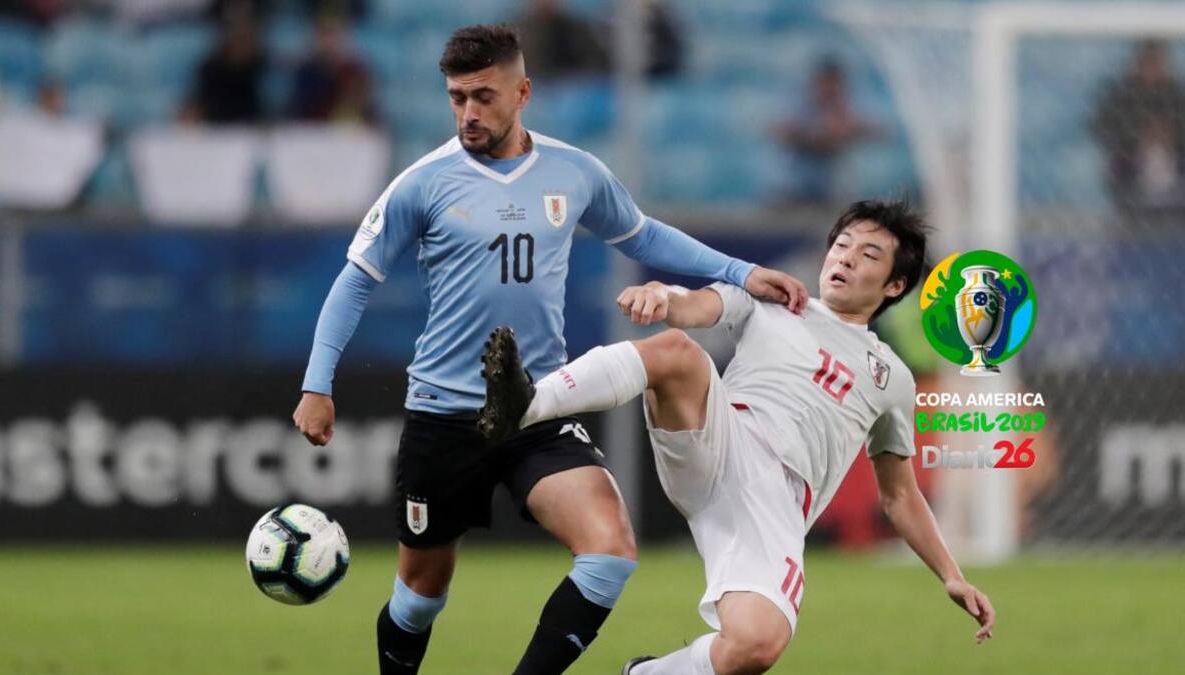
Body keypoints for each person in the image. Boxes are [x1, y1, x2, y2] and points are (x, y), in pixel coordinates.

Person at [291, 24, 808, 675]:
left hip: (535, 407)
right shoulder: (423, 183)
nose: (468, 113)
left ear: (523, 91)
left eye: (483, 96)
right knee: (420, 595)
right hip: (443, 416)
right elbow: (354, 281)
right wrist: (317, 383)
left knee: (611, 550)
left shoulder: (574, 172)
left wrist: (738, 272)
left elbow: (644, 237)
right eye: (456, 98)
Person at [479, 200, 996, 675]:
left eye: (869, 254)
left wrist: (951, 574)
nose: (846, 258)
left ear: (895, 286)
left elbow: (899, 493)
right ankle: (527, 405)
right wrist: (662, 294)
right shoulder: (776, 300)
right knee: (677, 351)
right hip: (721, 438)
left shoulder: (893, 378)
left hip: (775, 505)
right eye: (842, 244)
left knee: (756, 644)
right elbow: (694, 305)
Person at [1092, 39, 1185, 212]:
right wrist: (1139, 136)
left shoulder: (1177, 95)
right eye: (1148, 63)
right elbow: (1100, 128)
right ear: (1137, 63)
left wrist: (1170, 137)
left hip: (1176, 172)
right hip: (1130, 172)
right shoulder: (1121, 94)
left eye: (1156, 62)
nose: (1152, 69)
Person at [774, 57, 879, 203]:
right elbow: (778, 130)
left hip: (833, 190)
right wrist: (812, 136)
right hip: (798, 188)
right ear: (816, 84)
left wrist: (849, 131)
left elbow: (877, 132)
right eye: (825, 83)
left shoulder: (847, 111)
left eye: (834, 84)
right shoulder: (800, 108)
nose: (829, 89)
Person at [288, 12, 378, 126]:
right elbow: (300, 111)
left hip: (347, 134)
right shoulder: (305, 71)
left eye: (333, 34)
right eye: (324, 34)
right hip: (313, 134)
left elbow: (368, 111)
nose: (328, 41)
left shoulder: (354, 70)